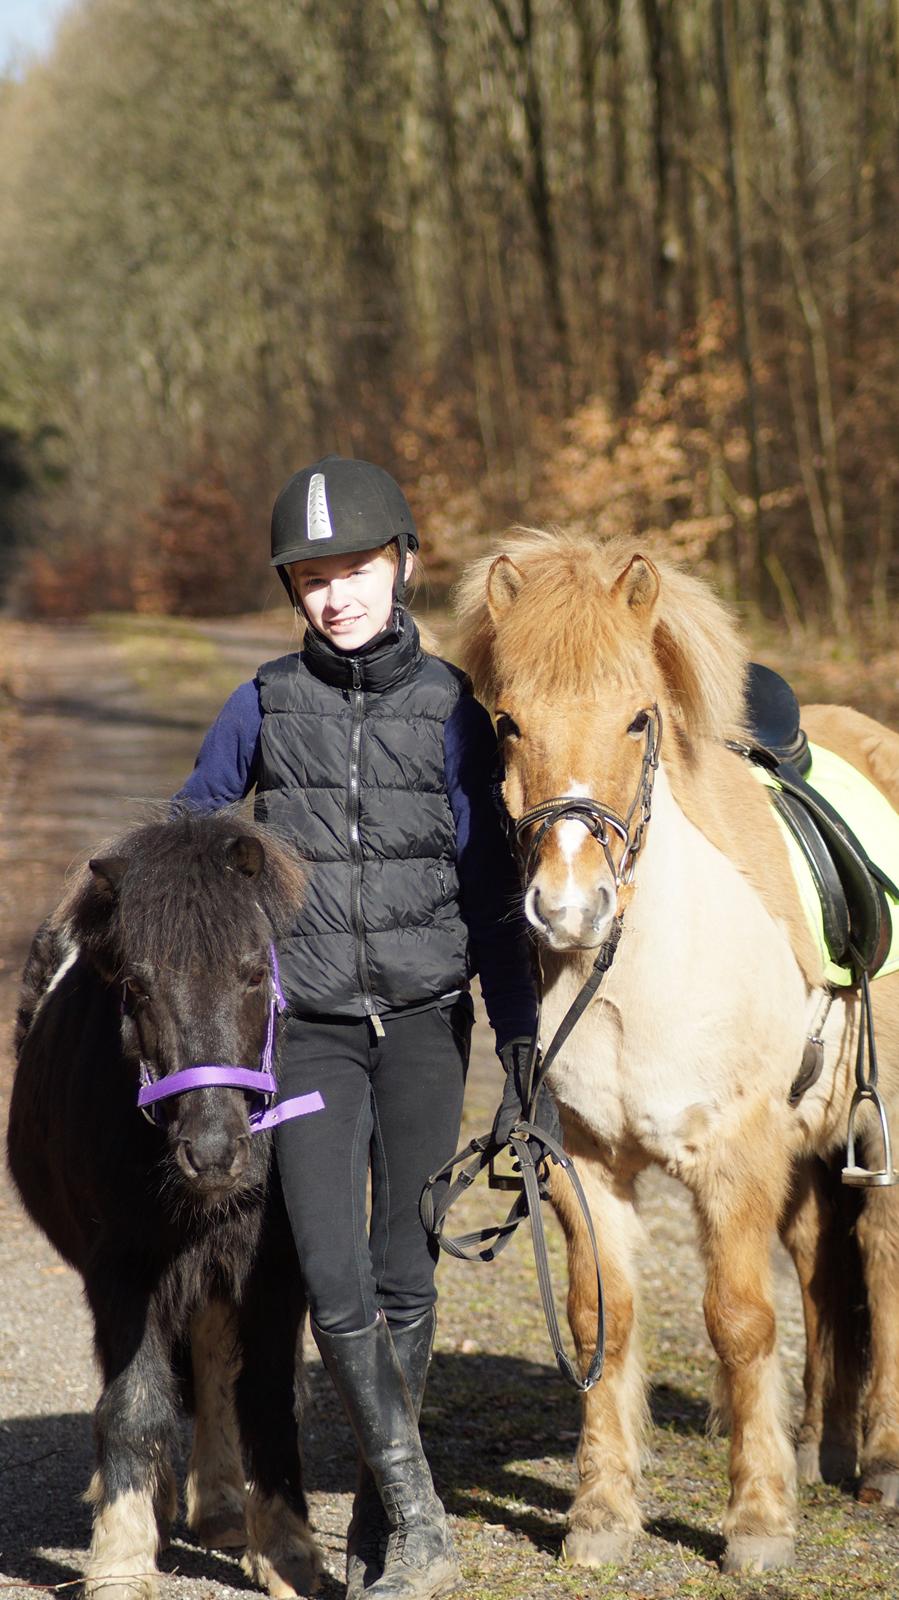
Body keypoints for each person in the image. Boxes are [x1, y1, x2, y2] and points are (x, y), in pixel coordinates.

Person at [172, 455, 540, 1600]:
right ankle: (424, 1516)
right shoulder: (262, 705)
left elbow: (488, 893)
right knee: (332, 1284)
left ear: (403, 566)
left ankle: (388, 1529)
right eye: (313, 578)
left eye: (357, 570)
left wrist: (523, 1062)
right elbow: (191, 832)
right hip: (311, 1035)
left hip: (430, 1026)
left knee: (405, 1280)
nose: (336, 596)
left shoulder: (456, 718)